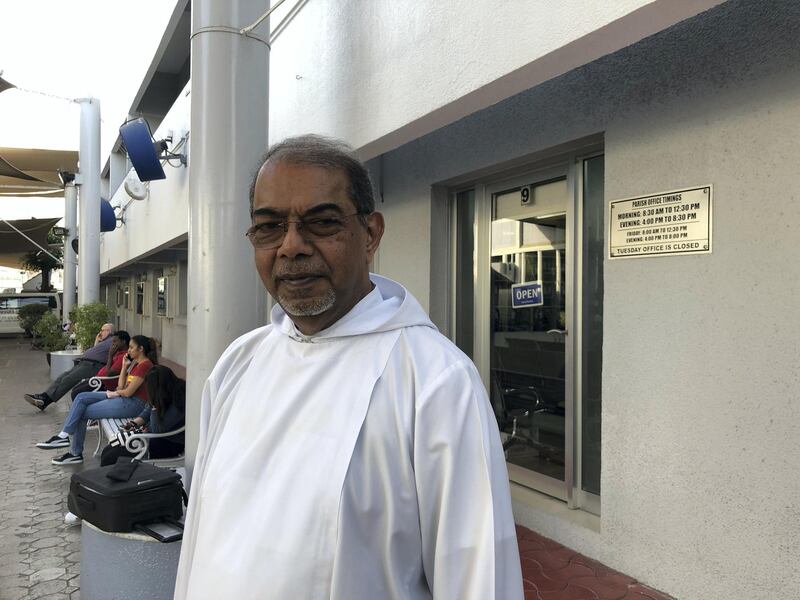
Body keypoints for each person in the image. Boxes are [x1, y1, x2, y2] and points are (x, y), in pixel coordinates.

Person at [174, 135, 523, 599]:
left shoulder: (435, 380)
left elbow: (480, 577)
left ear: (371, 234)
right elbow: (201, 531)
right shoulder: (240, 362)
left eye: (322, 223)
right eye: (269, 227)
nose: (291, 247)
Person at [37, 335, 158, 465]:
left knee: (81, 412)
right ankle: (64, 437)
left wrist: (117, 393)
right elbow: (121, 386)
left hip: (134, 404)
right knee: (81, 397)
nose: (128, 351)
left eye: (131, 347)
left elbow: (127, 392)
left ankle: (73, 451)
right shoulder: (135, 364)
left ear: (141, 349)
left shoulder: (145, 366)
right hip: (124, 398)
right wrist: (124, 367)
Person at [100, 365, 186, 466]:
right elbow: (146, 412)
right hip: (151, 436)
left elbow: (157, 429)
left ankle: (118, 478)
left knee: (111, 457)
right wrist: (133, 423)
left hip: (168, 443)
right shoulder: (164, 392)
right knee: (109, 450)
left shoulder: (179, 399)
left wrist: (155, 406)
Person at [24, 322, 115, 410]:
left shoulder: (113, 340)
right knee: (63, 376)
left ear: (110, 331)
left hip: (93, 365)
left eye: (103, 330)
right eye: (101, 330)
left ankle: (45, 401)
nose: (100, 333)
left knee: (68, 379)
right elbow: (96, 350)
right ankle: (44, 396)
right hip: (85, 363)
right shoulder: (104, 342)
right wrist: (97, 341)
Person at [69, 330, 131, 400]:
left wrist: (110, 356)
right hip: (98, 379)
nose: (113, 344)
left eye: (115, 341)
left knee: (76, 393)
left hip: (104, 384)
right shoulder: (118, 352)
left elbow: (108, 373)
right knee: (75, 390)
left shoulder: (124, 356)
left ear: (123, 342)